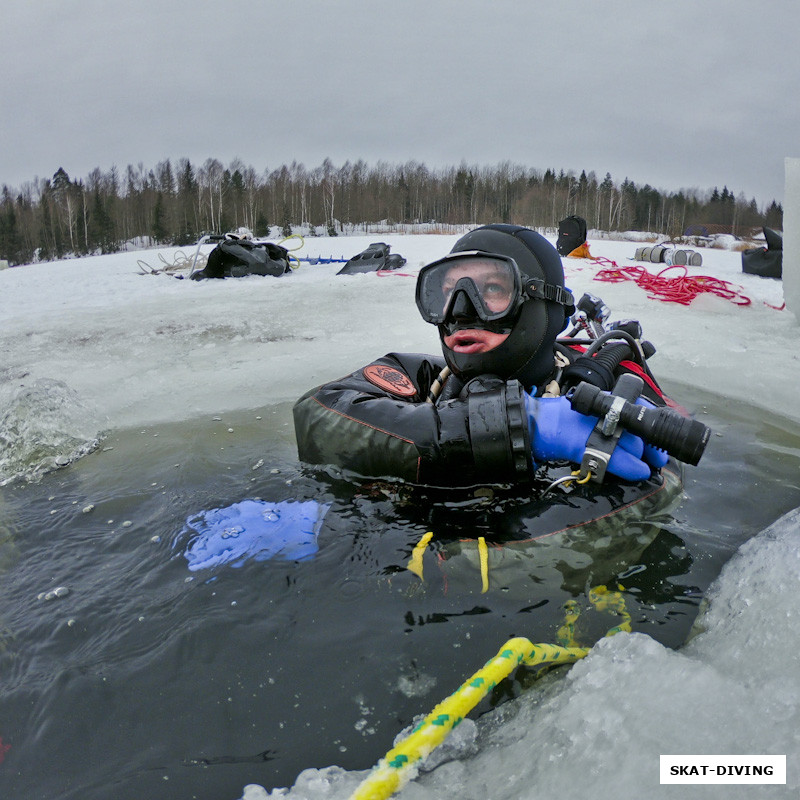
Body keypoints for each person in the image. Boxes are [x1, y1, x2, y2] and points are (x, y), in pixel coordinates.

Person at [293, 223, 670, 487]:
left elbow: (662, 471)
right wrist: (522, 425)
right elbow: (316, 415)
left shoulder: (605, 393)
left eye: (492, 289)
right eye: (448, 291)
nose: (459, 311)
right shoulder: (420, 377)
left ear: (552, 310)